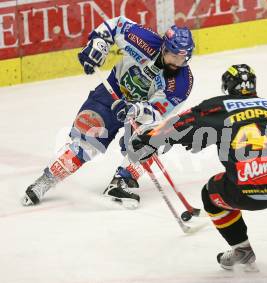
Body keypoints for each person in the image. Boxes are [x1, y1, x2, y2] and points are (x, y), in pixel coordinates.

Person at [126, 64, 267, 269]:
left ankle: (242, 250)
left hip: (250, 186)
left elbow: (182, 124)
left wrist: (149, 139)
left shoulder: (216, 107)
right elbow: (246, 126)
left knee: (210, 193)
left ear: (227, 87)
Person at [22, 16, 195, 209]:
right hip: (111, 92)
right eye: (174, 55)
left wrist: (134, 109)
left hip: (139, 110)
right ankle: (45, 181)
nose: (178, 62)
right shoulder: (144, 41)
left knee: (155, 137)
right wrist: (98, 45)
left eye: (183, 58)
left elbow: (157, 113)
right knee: (86, 145)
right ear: (164, 47)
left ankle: (122, 180)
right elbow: (115, 26)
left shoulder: (182, 82)